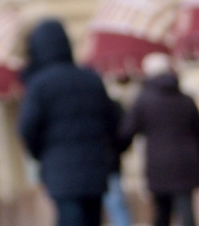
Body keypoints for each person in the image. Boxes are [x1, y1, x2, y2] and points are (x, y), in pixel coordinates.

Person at [15, 20, 121, 226]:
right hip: (95, 169)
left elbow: (27, 129)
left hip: (60, 171)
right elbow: (112, 121)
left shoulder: (39, 84)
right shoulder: (91, 78)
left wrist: (41, 154)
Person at [120, 54, 199, 226]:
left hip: (158, 163)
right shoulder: (186, 100)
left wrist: (114, 150)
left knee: (162, 213)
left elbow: (126, 133)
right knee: (186, 210)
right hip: (186, 162)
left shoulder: (143, 101)